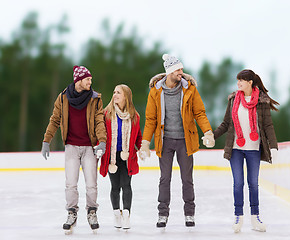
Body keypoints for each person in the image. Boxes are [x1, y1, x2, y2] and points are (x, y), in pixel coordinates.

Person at [139, 54, 215, 228]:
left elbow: (200, 113)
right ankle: (162, 214)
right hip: (164, 141)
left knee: (187, 179)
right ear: (170, 71)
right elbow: (151, 119)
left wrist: (208, 132)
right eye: (178, 69)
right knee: (164, 178)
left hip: (184, 141)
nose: (182, 72)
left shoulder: (189, 89)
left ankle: (189, 213)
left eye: (181, 69)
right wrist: (145, 142)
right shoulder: (156, 92)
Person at [41, 65, 107, 233]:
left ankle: (92, 212)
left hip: (89, 148)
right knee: (71, 183)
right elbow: (55, 119)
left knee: (91, 184)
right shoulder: (63, 98)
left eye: (90, 79)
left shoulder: (95, 98)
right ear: (78, 80)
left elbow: (99, 121)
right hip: (71, 146)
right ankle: (72, 213)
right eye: (87, 79)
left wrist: (102, 141)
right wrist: (46, 141)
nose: (90, 82)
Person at [213, 69, 279, 233]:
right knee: (238, 184)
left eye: (241, 80)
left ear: (250, 82)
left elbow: (268, 126)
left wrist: (273, 146)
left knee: (253, 185)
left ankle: (255, 218)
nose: (238, 83)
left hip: (254, 149)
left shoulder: (261, 102)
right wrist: (212, 136)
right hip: (236, 148)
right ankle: (238, 217)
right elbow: (226, 123)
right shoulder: (233, 99)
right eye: (237, 80)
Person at [99, 84, 142, 230]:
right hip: (111, 158)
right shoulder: (106, 114)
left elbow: (139, 138)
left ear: (126, 96)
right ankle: (117, 214)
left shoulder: (134, 116)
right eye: (114, 92)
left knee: (126, 185)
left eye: (118, 92)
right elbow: (101, 134)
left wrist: (142, 148)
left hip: (127, 157)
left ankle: (126, 216)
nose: (115, 95)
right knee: (115, 187)